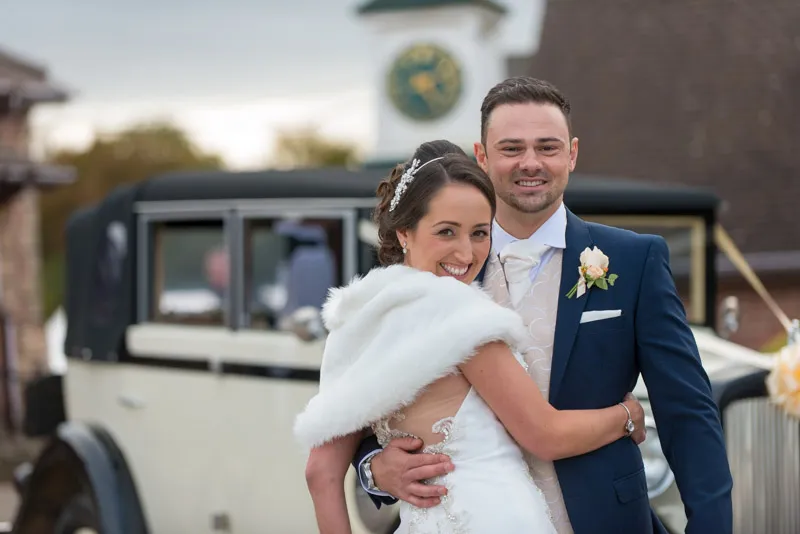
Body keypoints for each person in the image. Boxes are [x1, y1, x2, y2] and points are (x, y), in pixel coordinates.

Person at [354, 78, 734, 534]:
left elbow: (687, 411)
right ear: (482, 157)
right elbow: (361, 412)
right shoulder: (434, 268)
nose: (530, 163)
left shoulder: (636, 260)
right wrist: (374, 468)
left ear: (571, 154)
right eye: (511, 148)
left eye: (547, 148)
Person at [294, 140, 646, 533]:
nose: (466, 252)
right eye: (447, 232)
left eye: (480, 233)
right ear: (404, 233)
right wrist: (626, 417)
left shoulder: (356, 320)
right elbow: (544, 435)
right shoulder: (457, 313)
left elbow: (320, 473)